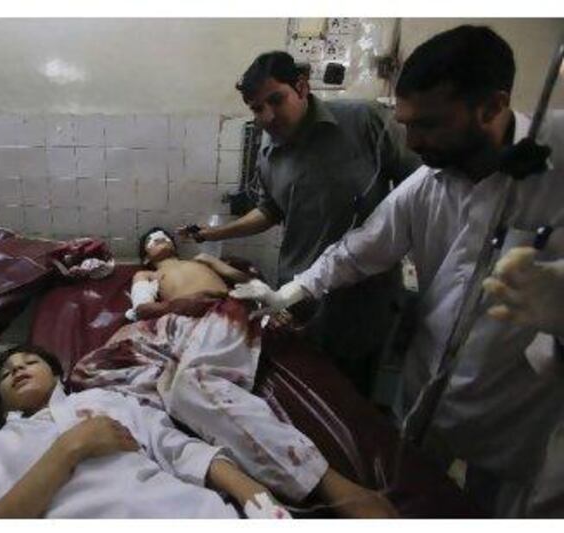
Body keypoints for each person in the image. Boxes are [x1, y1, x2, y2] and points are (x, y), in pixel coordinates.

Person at [230, 25, 564, 517]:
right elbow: (360, 249)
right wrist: (293, 291)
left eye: (427, 125)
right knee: (415, 497)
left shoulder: (555, 157)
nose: (411, 140)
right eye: (406, 123)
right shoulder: (429, 183)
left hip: (517, 411)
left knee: (499, 511)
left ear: (492, 108)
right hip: (430, 390)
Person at [70, 227, 397, 518]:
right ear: (146, 255)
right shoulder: (147, 277)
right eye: (154, 240)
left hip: (221, 311)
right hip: (177, 322)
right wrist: (179, 305)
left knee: (187, 384)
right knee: (92, 373)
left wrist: (218, 267)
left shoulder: (201, 261)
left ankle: (327, 484)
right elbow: (142, 309)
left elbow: (247, 286)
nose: (161, 240)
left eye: (165, 236)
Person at [178, 51, 421, 397]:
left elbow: (421, 188)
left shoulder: (364, 122)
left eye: (276, 100)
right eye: (257, 108)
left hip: (360, 300)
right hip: (295, 294)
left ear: (302, 87)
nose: (268, 116)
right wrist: (213, 234)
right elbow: (271, 210)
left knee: (351, 400)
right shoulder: (268, 149)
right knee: (302, 392)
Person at [0, 345, 291, 518]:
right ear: (0, 398)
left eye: (30, 362)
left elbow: (178, 449)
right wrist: (69, 449)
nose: (18, 369)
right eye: (7, 372)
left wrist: (257, 500)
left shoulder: (108, 400)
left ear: (57, 376)